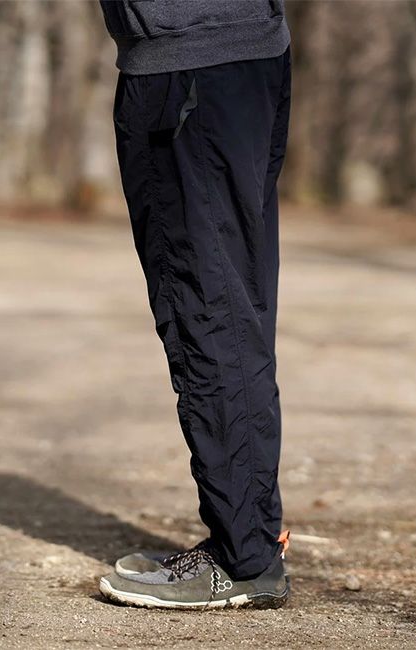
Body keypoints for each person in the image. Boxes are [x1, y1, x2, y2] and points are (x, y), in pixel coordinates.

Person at [97, 0, 292, 610]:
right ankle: (250, 540)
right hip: (240, 58)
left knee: (209, 313)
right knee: (233, 309)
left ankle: (243, 559)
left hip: (190, 72)